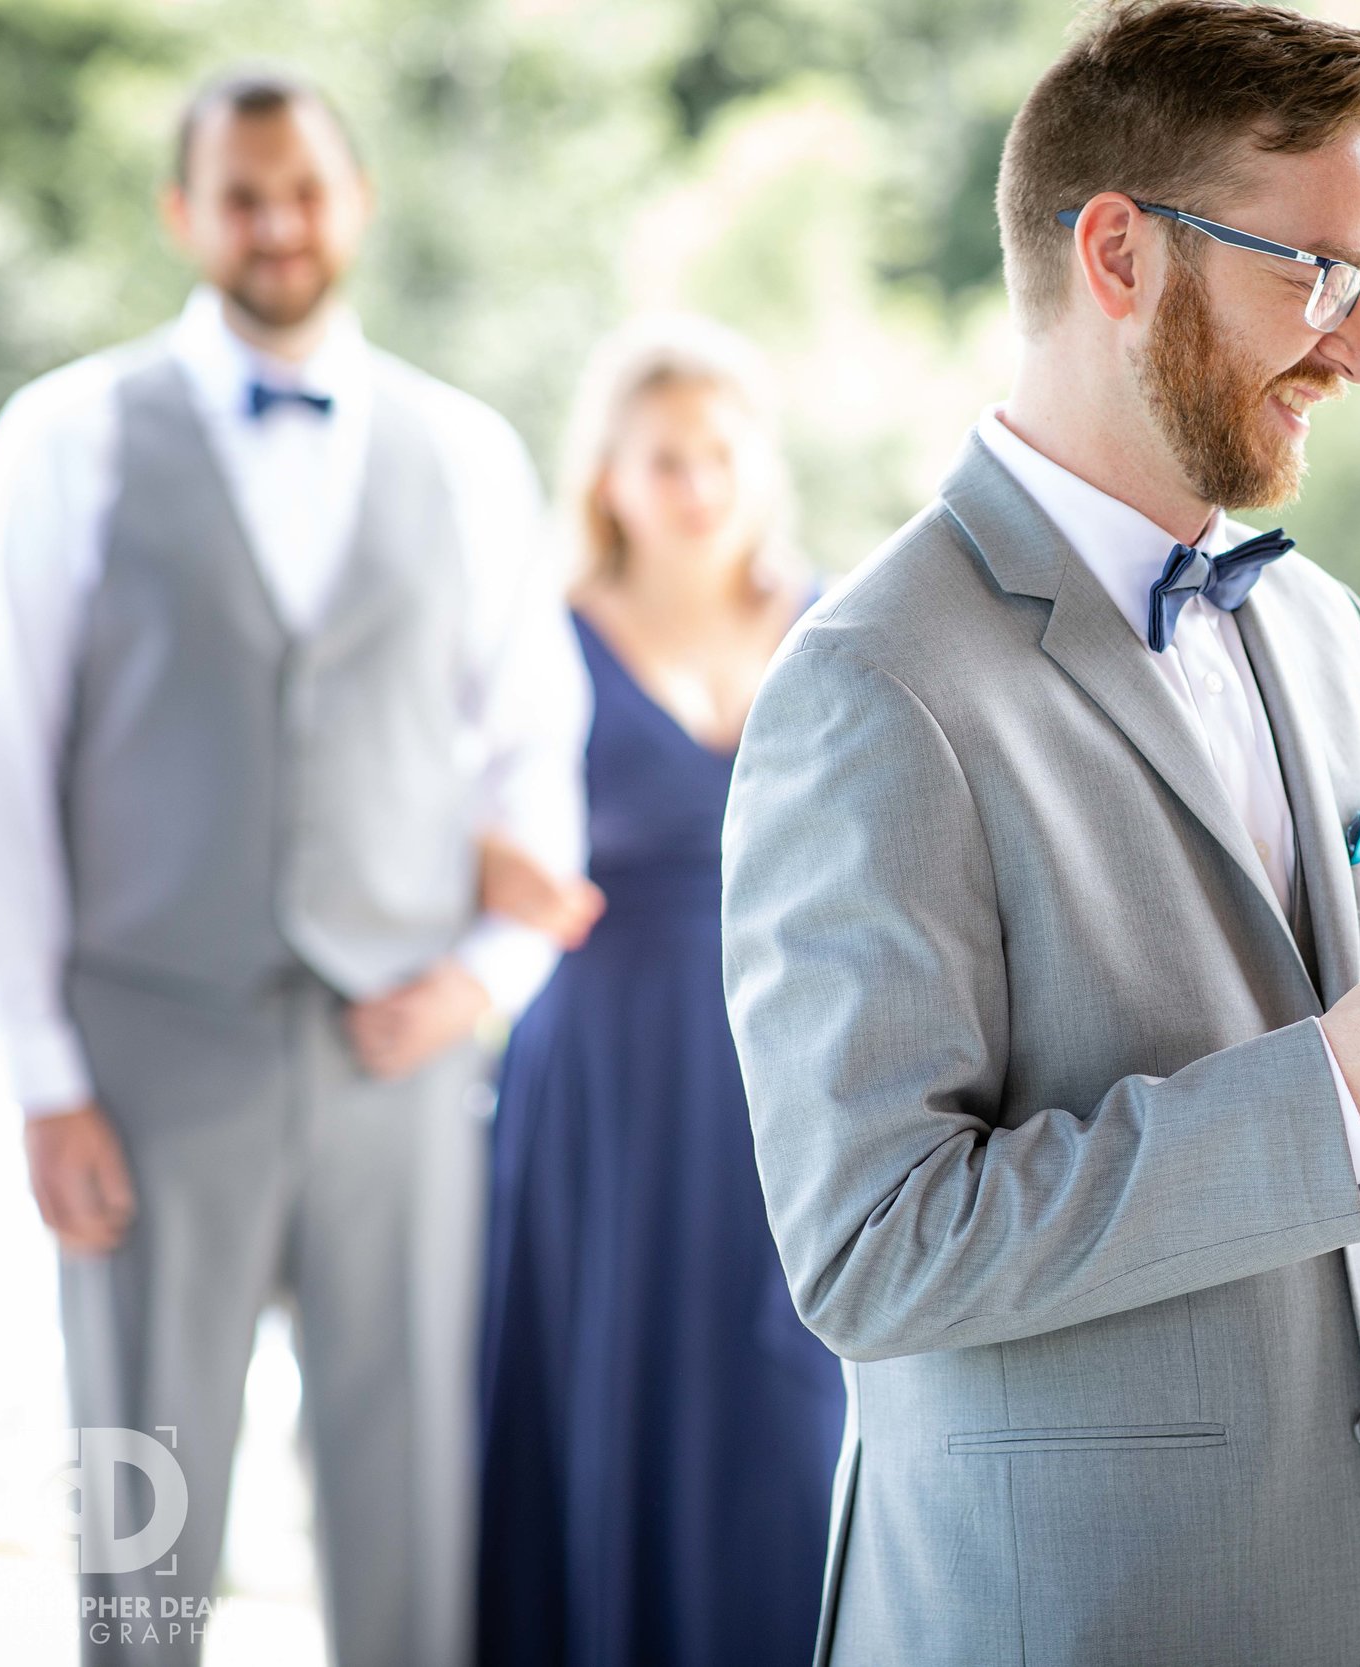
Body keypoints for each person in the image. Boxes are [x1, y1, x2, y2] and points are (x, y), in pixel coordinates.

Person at [718, 5, 1360, 1663]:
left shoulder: (1326, 635)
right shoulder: (869, 686)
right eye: (1318, 277)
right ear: (1120, 253)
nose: (1358, 351)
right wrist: (1335, 1090)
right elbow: (875, 1250)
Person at [0, 67, 587, 1667]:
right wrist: (42, 1076)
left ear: (354, 202)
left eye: (304, 189)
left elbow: (534, 752)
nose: (277, 224)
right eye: (241, 194)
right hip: (146, 1051)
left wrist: (480, 985)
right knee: (141, 1496)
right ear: (184, 215)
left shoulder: (465, 453)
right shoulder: (64, 439)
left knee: (409, 1497)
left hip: (395, 1056)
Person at [472, 315, 843, 1667]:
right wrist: (483, 864)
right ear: (607, 478)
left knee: (786, 1404)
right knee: (605, 1386)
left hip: (797, 1068)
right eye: (662, 459)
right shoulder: (543, 635)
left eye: (719, 453)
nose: (695, 485)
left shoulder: (838, 623)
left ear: (761, 463)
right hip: (606, 1072)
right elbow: (412, 800)